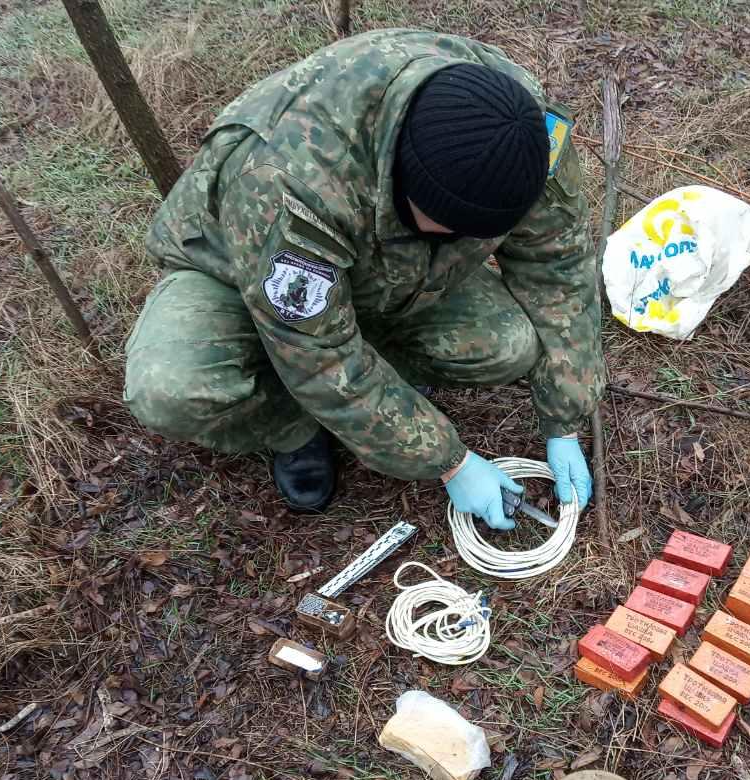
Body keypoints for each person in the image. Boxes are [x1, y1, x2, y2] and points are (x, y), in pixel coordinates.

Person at [125, 29, 604, 530]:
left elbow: (557, 264)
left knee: (508, 345)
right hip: (234, 265)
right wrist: (449, 461)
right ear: (404, 181)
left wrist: (564, 418)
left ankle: (368, 378)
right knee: (172, 389)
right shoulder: (289, 178)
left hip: (386, 273)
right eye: (453, 227)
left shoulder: (519, 130)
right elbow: (321, 358)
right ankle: (292, 428)